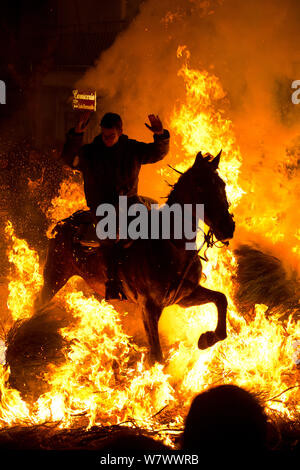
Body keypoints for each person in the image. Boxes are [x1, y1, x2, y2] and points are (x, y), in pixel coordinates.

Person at [60, 111, 170, 300]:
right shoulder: (91, 152)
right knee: (113, 236)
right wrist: (77, 133)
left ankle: (163, 273)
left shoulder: (132, 149)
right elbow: (69, 159)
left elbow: (157, 153)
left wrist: (160, 134)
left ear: (120, 131)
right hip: (102, 207)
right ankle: (113, 282)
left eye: (111, 135)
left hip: (130, 203)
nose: (107, 139)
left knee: (156, 227)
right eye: (104, 134)